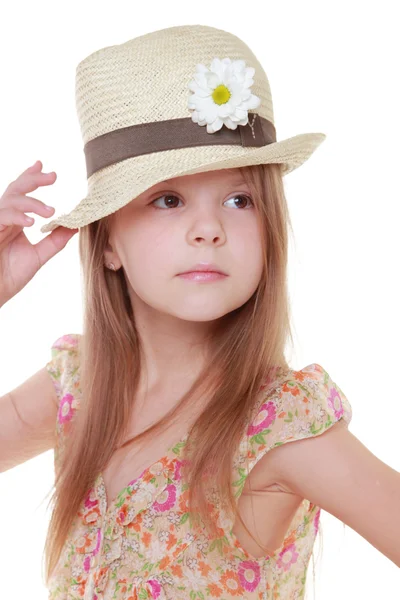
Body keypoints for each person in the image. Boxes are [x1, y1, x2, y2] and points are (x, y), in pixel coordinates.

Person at [0, 24, 399, 600]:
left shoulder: (280, 425)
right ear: (108, 242)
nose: (209, 229)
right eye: (168, 199)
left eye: (239, 200)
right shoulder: (81, 387)